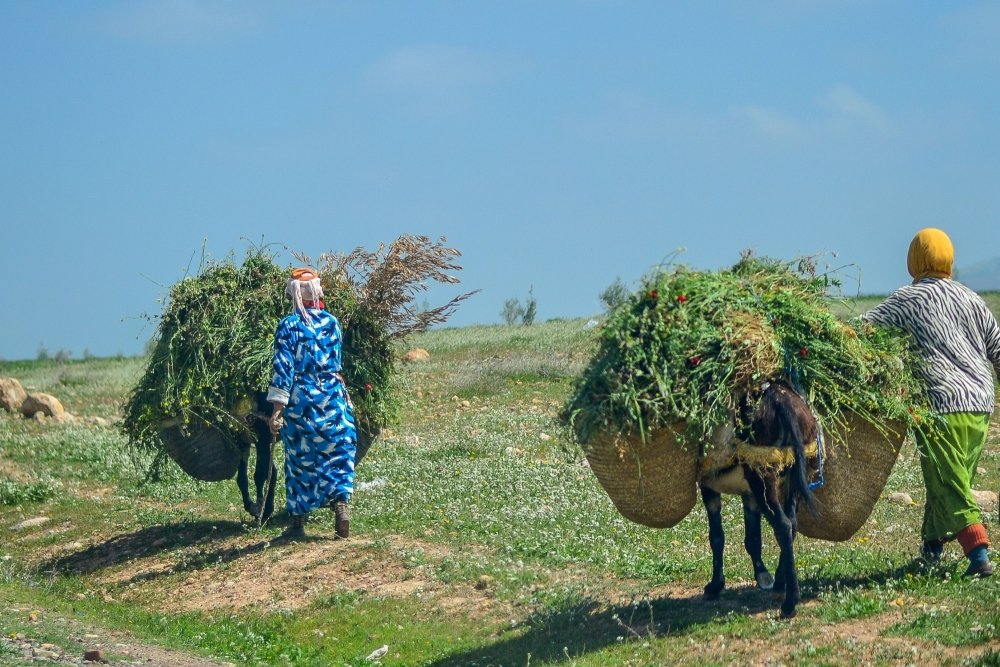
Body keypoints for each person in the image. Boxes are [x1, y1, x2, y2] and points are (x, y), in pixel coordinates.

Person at [862, 228, 998, 578]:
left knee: (949, 483)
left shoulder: (908, 299)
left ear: (914, 260)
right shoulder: (972, 298)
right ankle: (931, 548)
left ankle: (979, 554)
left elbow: (863, 329)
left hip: (939, 404)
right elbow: (997, 349)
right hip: (981, 403)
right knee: (945, 480)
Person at [267, 267, 358, 540]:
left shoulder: (289, 325)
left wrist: (276, 412)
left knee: (300, 458)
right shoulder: (332, 322)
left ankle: (297, 523)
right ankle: (340, 507)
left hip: (302, 399)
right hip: (332, 396)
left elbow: (284, 369)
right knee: (337, 454)